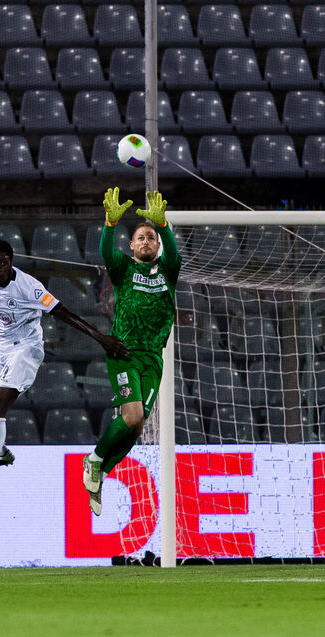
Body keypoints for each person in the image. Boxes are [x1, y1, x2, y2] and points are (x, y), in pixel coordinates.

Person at [0, 240, 130, 500]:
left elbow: (63, 313)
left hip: (26, 350)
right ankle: (2, 453)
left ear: (11, 261)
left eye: (2, 263)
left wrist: (100, 337)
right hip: (0, 347)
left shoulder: (29, 287)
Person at [84, 189, 182, 515]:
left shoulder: (167, 271)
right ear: (132, 245)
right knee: (134, 417)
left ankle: (100, 469)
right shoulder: (124, 268)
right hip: (124, 350)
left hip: (153, 356)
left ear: (157, 246)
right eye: (140, 237)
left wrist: (163, 224)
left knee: (137, 426)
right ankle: (96, 460)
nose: (145, 241)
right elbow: (104, 251)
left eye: (151, 238)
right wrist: (111, 222)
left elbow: (176, 257)